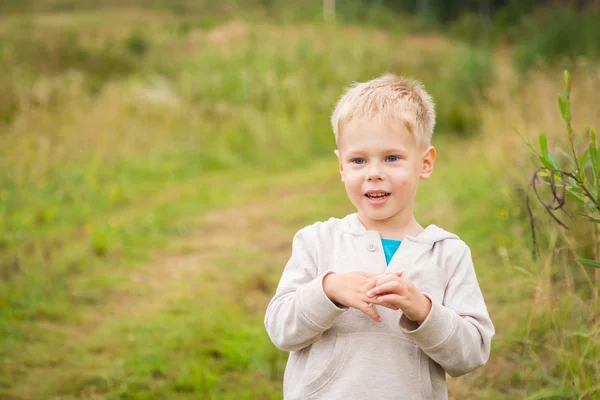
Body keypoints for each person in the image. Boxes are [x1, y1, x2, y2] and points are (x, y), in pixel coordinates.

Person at [264, 73, 495, 400]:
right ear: (341, 166)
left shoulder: (447, 254)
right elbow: (280, 330)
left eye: (392, 158)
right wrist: (328, 290)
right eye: (358, 160)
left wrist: (423, 310)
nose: (374, 172)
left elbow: (471, 354)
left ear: (425, 163)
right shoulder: (317, 241)